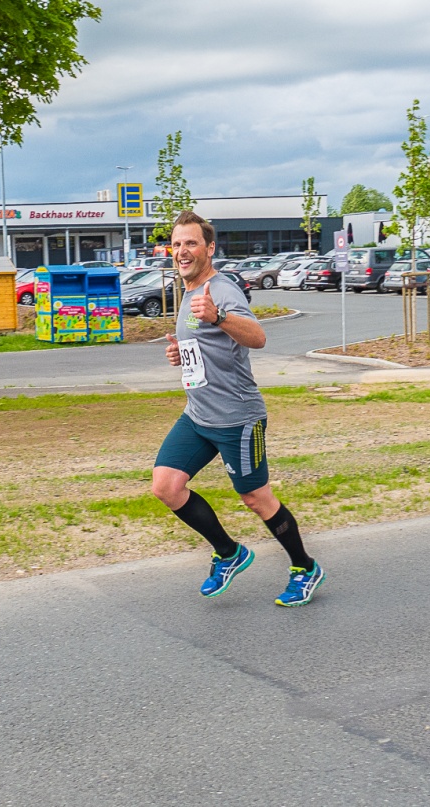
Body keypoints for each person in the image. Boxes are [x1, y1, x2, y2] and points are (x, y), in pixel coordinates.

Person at [151, 210, 324, 605]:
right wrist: (182, 353)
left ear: (209, 249)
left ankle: (305, 567)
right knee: (166, 486)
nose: (182, 251)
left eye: (191, 243)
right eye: (176, 244)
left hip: (237, 419)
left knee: (256, 498)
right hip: (198, 415)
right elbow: (208, 343)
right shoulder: (189, 290)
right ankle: (229, 553)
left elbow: (258, 337)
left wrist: (219, 315)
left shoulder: (222, 290)